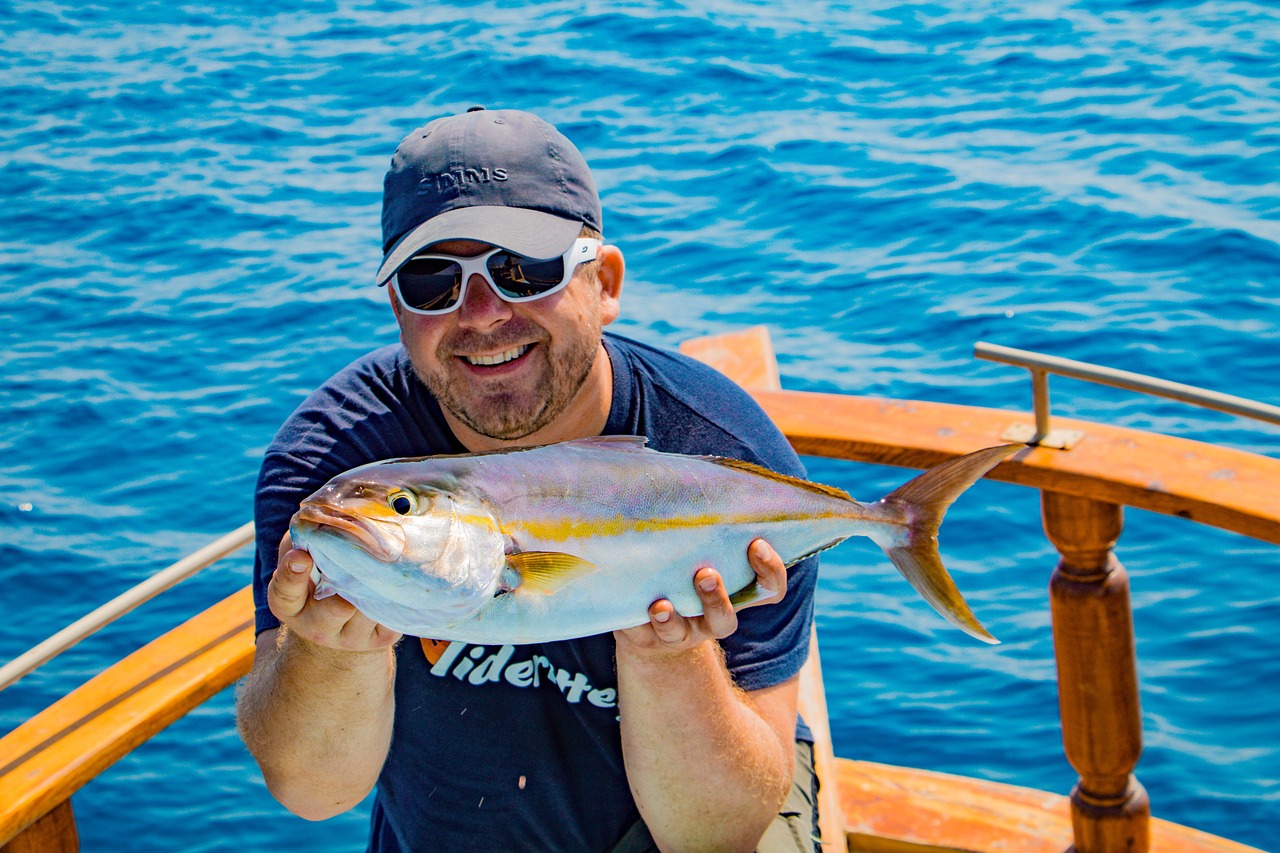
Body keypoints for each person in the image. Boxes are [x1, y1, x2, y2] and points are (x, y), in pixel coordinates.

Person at [236, 106, 820, 853]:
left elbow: (713, 835)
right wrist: (326, 651)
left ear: (604, 283)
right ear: (397, 307)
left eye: (523, 269)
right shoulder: (337, 471)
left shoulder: (724, 465)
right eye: (432, 280)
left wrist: (669, 655)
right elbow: (313, 791)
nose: (481, 314)